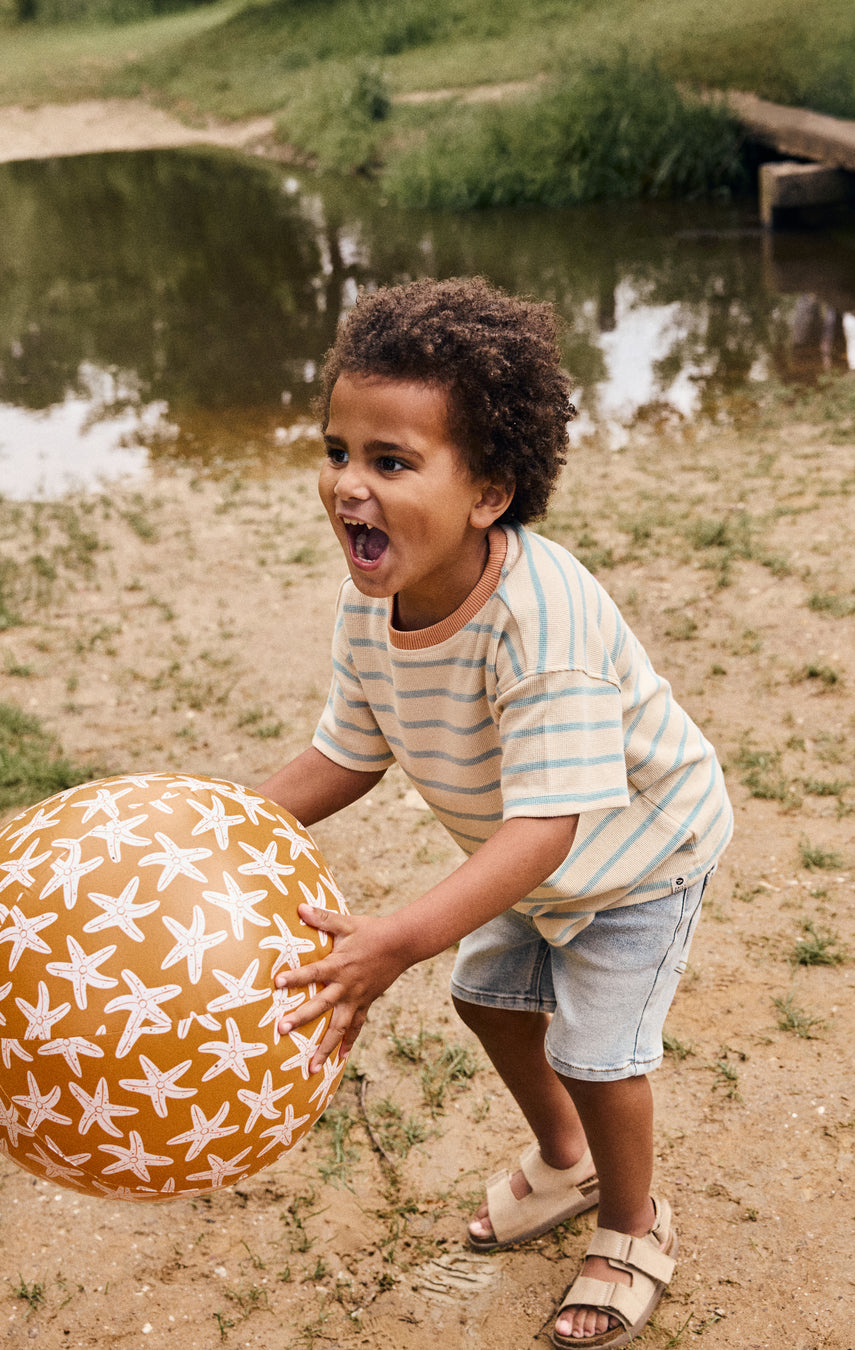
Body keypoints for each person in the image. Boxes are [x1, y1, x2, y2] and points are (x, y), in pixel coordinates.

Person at [256, 276, 732, 1349]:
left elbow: (547, 828)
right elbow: (348, 750)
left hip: (638, 855)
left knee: (600, 1052)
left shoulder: (539, 620)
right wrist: (211, 826)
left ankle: (632, 1221)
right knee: (491, 997)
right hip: (541, 861)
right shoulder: (373, 599)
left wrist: (396, 939)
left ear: (489, 492)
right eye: (337, 452)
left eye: (390, 462)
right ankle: (565, 1163)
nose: (347, 488)